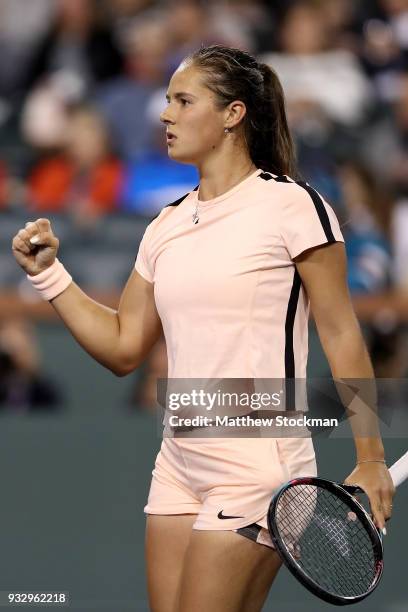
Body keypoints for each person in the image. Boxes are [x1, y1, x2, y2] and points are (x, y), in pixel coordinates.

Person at [12, 45, 395, 612]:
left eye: (183, 100)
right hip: (178, 458)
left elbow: (341, 335)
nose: (164, 114)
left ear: (232, 115)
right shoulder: (164, 225)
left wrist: (369, 455)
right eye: (166, 100)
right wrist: (51, 277)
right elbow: (123, 348)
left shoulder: (294, 207)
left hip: (260, 461)